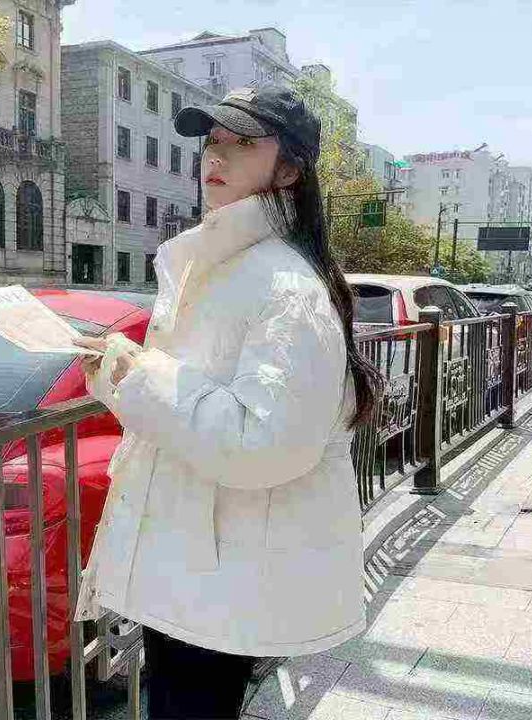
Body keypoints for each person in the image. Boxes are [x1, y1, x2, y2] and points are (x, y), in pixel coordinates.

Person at [73, 84, 383, 720]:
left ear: (289, 169)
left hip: (220, 570)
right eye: (212, 140)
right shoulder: (223, 262)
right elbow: (193, 398)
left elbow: (264, 440)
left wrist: (137, 375)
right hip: (197, 557)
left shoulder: (283, 285)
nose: (216, 155)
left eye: (242, 143)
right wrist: (123, 373)